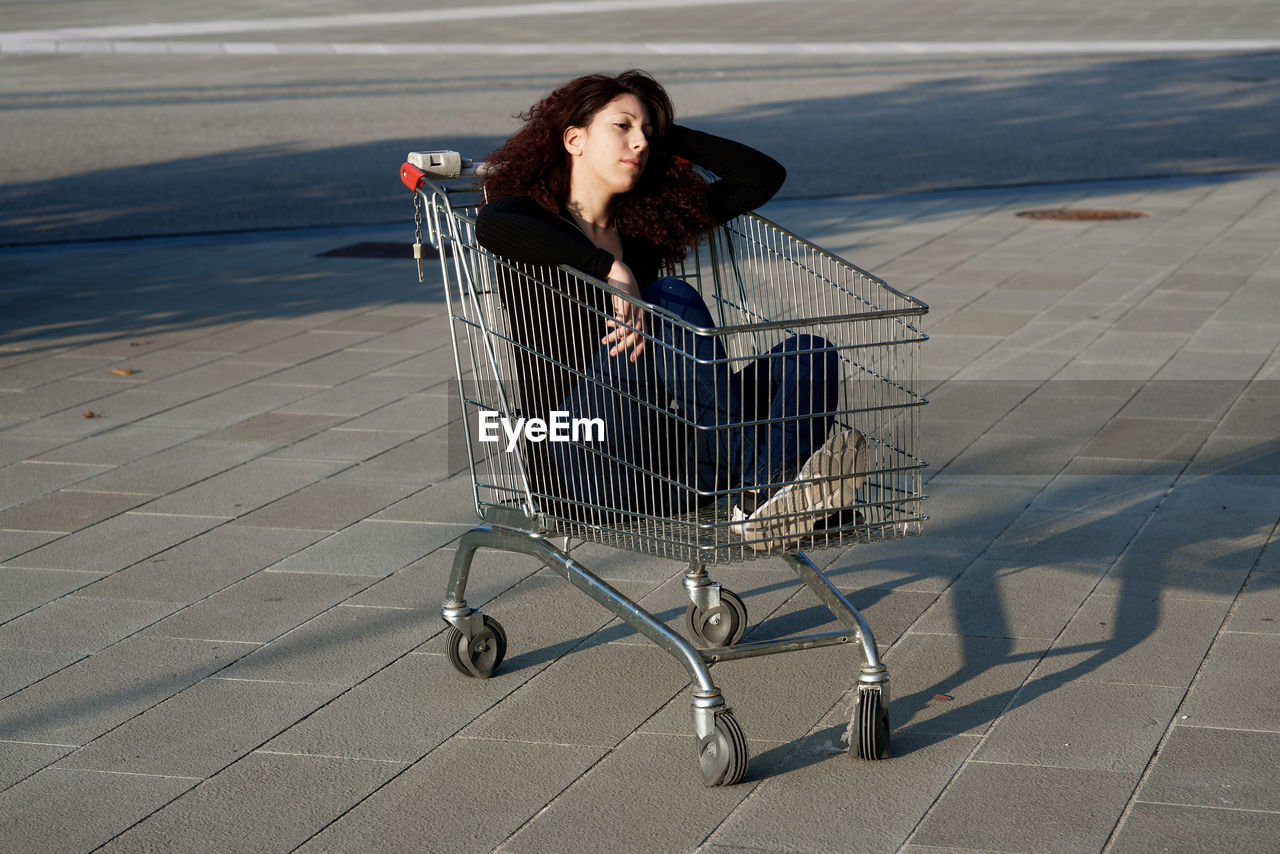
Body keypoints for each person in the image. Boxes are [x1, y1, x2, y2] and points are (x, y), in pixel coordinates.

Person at [474, 70, 864, 547]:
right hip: (581, 463)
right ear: (575, 139)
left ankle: (768, 499)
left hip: (667, 462)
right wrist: (609, 268)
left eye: (645, 134)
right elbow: (492, 226)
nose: (637, 143)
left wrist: (661, 129)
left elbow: (762, 177)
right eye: (621, 127)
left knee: (809, 354)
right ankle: (771, 489)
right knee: (668, 298)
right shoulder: (532, 216)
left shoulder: (641, 230)